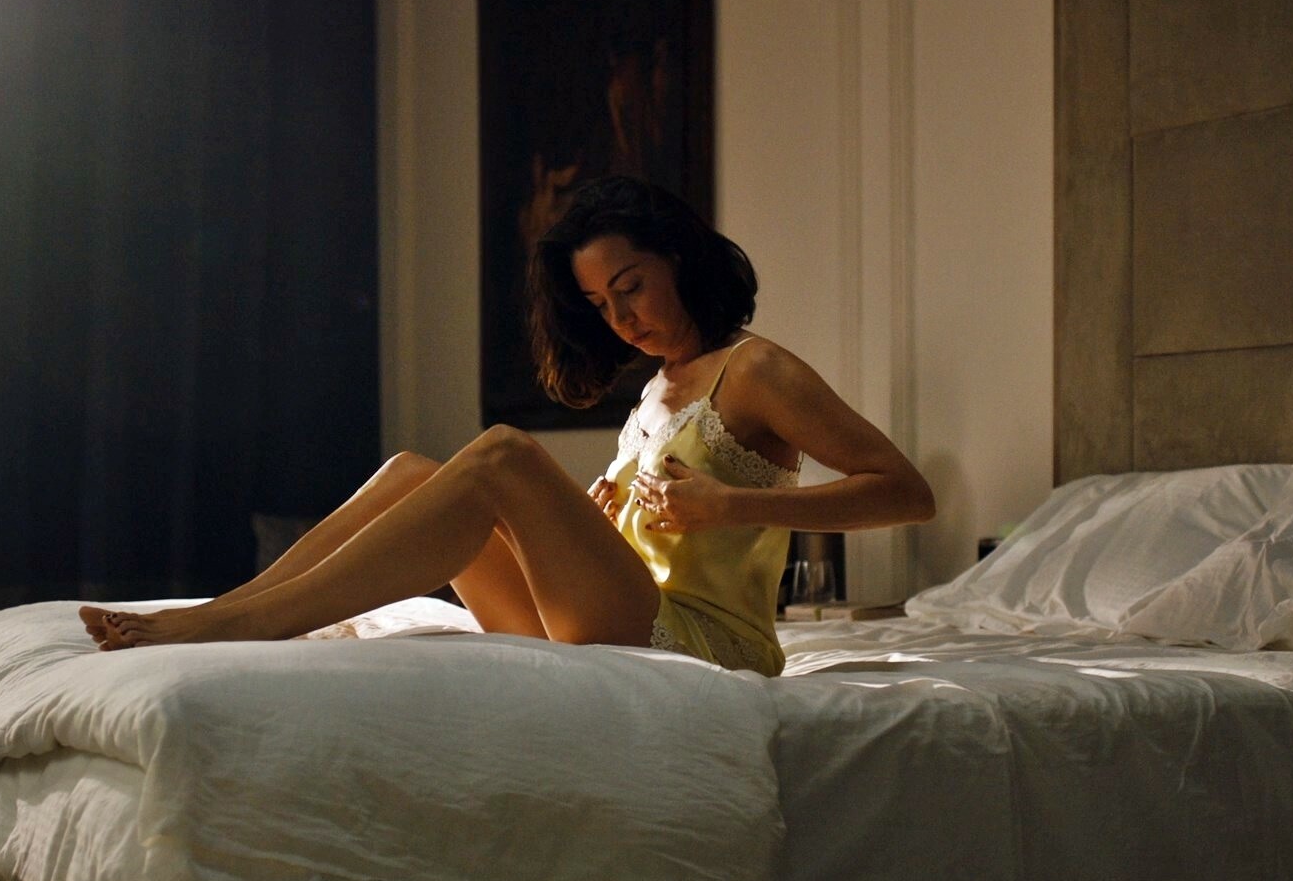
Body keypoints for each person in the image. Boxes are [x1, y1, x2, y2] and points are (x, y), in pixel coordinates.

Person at [80, 176, 934, 675]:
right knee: (413, 471)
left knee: (502, 456)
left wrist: (733, 506)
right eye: (600, 304)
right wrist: (606, 520)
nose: (621, 319)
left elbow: (906, 493)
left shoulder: (758, 370)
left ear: (678, 256)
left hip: (702, 645)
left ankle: (240, 626)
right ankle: (234, 606)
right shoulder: (657, 388)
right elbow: (660, 532)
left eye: (631, 287)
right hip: (620, 618)